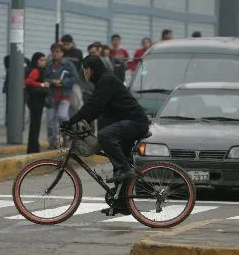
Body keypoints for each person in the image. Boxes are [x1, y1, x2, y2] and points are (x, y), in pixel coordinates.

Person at [62, 55, 150, 215]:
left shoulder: (106, 80)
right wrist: (82, 121)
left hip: (135, 123)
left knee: (105, 136)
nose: (84, 73)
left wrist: (71, 120)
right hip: (129, 123)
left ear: (90, 69)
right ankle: (122, 204)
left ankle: (124, 169)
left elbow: (93, 105)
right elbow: (97, 109)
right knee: (122, 162)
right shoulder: (104, 81)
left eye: (84, 70)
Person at [25, 52, 49, 153]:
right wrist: (42, 85)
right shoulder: (35, 70)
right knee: (35, 125)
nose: (43, 62)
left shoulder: (40, 70)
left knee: (35, 125)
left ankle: (34, 147)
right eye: (41, 60)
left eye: (44, 60)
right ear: (36, 61)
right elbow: (29, 82)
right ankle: (33, 149)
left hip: (37, 100)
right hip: (35, 101)